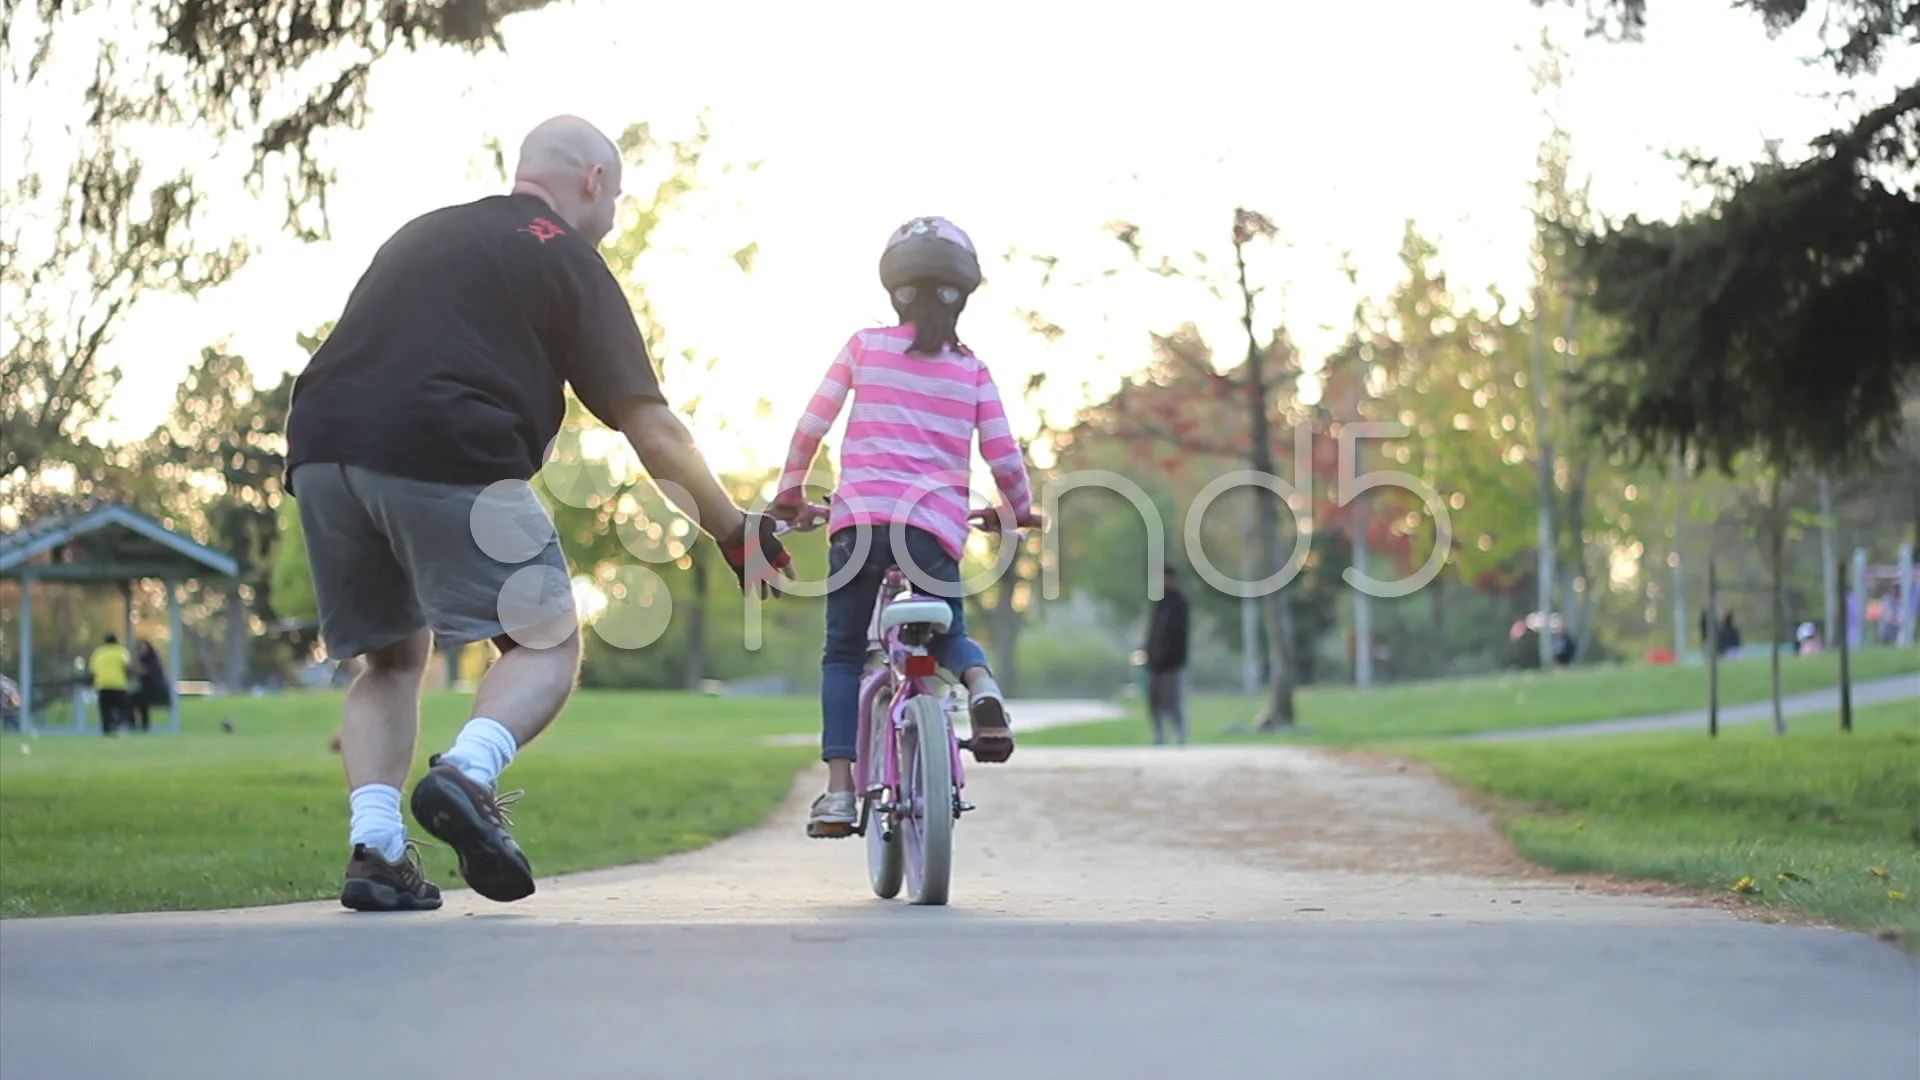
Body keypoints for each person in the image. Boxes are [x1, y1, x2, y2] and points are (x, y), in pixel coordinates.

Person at [283, 115, 791, 913]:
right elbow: (651, 426)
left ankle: (376, 851)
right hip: (444, 439)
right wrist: (734, 531)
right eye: (616, 195)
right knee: (546, 638)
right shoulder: (562, 252)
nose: (615, 213)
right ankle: (468, 773)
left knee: (388, 661)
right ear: (593, 181)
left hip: (319, 448)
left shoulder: (424, 233)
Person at [773, 215, 1038, 839]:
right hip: (933, 534)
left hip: (858, 528)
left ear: (894, 289)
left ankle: (839, 793)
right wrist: (1017, 510)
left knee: (842, 653)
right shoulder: (973, 371)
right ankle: (980, 685)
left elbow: (812, 426)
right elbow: (1004, 455)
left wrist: (791, 493)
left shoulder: (865, 347)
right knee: (947, 631)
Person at [1144, 564, 1191, 745]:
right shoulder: (1158, 603)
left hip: (1173, 662)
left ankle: (1180, 732)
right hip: (1156, 661)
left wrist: (1175, 657)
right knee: (1155, 701)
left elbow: (1180, 634)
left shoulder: (1180, 603)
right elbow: (1153, 631)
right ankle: (1159, 733)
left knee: (1174, 700)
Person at [87, 633, 133, 735]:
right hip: (119, 685)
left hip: (103, 685)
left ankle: (107, 728)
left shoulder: (98, 653)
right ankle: (117, 723)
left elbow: (92, 670)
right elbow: (128, 667)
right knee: (123, 708)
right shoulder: (121, 651)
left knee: (105, 710)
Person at [130, 639, 168, 732]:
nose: (140, 651)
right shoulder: (143, 660)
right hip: (147, 691)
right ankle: (142, 725)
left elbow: (143, 672)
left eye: (142, 648)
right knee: (134, 698)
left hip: (157, 691)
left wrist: (130, 668)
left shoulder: (152, 661)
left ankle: (134, 725)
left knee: (131, 699)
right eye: (138, 648)